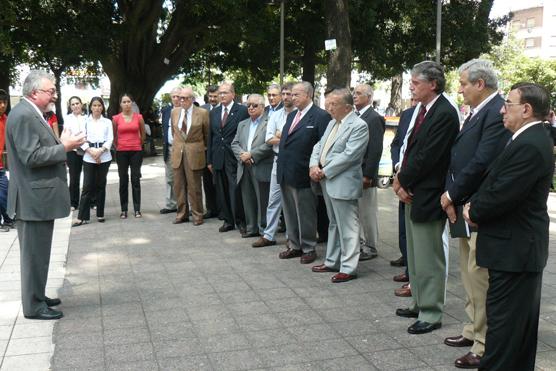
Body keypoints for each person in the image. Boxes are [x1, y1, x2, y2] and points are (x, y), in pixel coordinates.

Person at [464, 83, 554, 371]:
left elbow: (502, 193)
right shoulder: (526, 138)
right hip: (514, 250)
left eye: (509, 103)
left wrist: (473, 209)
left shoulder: (530, 143)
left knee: (504, 336)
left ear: (526, 109)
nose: (502, 109)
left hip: (515, 253)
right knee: (515, 335)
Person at [439, 59, 510, 369]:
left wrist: (452, 194)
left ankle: (483, 344)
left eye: (464, 83)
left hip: (478, 208)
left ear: (480, 84)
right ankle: (472, 329)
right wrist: (453, 194)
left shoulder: (496, 112)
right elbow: (459, 156)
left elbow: (482, 160)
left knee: (480, 277)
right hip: (464, 206)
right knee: (469, 275)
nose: (460, 89)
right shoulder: (479, 111)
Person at [6, 70, 85, 320]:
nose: (54, 94)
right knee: (33, 256)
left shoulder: (30, 113)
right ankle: (33, 306)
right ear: (34, 92)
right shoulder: (23, 115)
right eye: (50, 91)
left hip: (36, 198)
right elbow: (30, 157)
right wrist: (65, 148)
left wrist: (59, 142)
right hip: (31, 199)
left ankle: (37, 295)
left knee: (39, 253)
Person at [393, 61, 459, 334]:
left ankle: (431, 313)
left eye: (416, 82)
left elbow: (428, 157)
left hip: (428, 194)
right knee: (416, 255)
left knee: (429, 256)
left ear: (433, 84)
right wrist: (401, 181)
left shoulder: (444, 112)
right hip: (412, 191)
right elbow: (407, 148)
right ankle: (419, 302)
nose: (411, 86)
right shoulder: (421, 109)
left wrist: (401, 180)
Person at [309, 88, 369, 282]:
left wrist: (324, 170)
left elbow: (350, 155)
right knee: (334, 222)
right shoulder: (332, 123)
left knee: (348, 226)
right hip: (328, 180)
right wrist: (313, 165)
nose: (329, 107)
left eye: (334, 104)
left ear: (348, 107)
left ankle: (349, 267)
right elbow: (319, 145)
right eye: (328, 103)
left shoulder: (358, 125)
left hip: (342, 181)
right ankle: (332, 261)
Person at [277, 81, 330, 264]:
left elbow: (323, 146)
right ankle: (294, 245)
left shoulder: (320, 116)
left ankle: (308, 247)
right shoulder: (292, 116)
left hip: (304, 173)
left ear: (308, 95)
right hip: (285, 171)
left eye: (296, 94)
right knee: (290, 211)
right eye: (291, 94)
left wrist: (317, 168)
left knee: (305, 212)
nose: (291, 98)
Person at [252, 83, 295, 248]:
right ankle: (269, 235)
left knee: (292, 201)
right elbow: (269, 140)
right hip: (278, 160)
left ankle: (292, 236)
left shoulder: (300, 115)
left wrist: (281, 135)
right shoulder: (275, 115)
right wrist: (287, 136)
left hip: (294, 161)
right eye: (283, 93)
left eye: (288, 94)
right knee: (273, 200)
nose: (285, 97)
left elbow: (297, 139)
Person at [207, 82, 249, 233]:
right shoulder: (214, 112)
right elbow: (211, 137)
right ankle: (227, 220)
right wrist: (209, 160)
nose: (222, 96)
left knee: (235, 189)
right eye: (220, 93)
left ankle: (241, 221)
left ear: (233, 94)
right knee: (222, 190)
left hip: (234, 157)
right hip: (218, 157)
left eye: (225, 93)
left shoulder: (242, 111)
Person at [231, 94, 274, 238]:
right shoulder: (242, 124)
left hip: (261, 165)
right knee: (247, 199)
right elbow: (234, 143)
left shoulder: (270, 122)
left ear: (262, 106)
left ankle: (264, 230)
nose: (250, 108)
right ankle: (251, 228)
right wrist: (243, 156)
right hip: (244, 166)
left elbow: (269, 144)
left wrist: (252, 155)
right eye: (248, 105)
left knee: (263, 200)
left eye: (254, 105)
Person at [353, 84, 385, 261]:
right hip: (353, 172)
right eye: (354, 93)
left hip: (365, 173)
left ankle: (370, 246)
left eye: (358, 93)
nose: (354, 96)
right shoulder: (355, 116)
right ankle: (359, 243)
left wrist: (368, 175)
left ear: (369, 97)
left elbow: (375, 149)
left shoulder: (373, 118)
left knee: (367, 212)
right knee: (357, 211)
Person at [171, 87, 209, 226]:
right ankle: (182, 214)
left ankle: (198, 215)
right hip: (178, 153)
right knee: (179, 186)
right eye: (180, 98)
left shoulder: (202, 113)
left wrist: (201, 148)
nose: (181, 100)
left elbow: (207, 134)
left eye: (185, 98)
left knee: (194, 186)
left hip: (194, 152)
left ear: (192, 99)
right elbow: (175, 132)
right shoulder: (174, 112)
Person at [72, 97, 113, 226]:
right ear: (90, 107)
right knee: (87, 186)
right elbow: (81, 138)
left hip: (104, 155)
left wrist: (100, 151)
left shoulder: (107, 122)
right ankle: (82, 217)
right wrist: (90, 151)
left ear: (102, 107)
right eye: (94, 105)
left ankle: (100, 213)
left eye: (99, 105)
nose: (97, 108)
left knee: (101, 185)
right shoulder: (85, 121)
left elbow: (110, 138)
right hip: (89, 156)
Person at [391, 99, 417, 297]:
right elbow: (398, 143)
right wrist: (398, 168)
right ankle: (408, 265)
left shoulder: (442, 112)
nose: (412, 93)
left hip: (416, 184)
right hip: (402, 173)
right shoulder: (407, 114)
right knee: (403, 226)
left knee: (418, 236)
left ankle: (414, 276)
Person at [112, 93, 146, 219]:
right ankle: (124, 209)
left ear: (132, 103)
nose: (126, 104)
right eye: (124, 102)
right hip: (121, 152)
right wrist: (119, 146)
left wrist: (137, 144)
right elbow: (114, 135)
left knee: (136, 180)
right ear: (120, 104)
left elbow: (143, 135)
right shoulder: (116, 118)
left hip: (136, 151)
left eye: (128, 101)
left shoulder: (139, 117)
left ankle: (137, 209)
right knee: (123, 180)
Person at [159, 87, 181, 215]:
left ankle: (187, 204)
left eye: (179, 96)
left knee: (185, 178)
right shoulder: (166, 110)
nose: (176, 99)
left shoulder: (186, 110)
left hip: (183, 149)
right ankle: (171, 204)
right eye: (174, 96)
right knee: (170, 178)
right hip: (169, 148)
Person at [200, 85, 219, 219]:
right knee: (207, 182)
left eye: (215, 96)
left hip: (219, 150)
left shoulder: (224, 109)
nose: (212, 99)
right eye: (210, 96)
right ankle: (211, 209)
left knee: (219, 182)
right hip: (205, 151)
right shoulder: (202, 109)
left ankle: (222, 209)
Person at [64, 96, 86, 210]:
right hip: (73, 151)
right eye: (73, 104)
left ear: (81, 104)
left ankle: (92, 201)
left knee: (90, 177)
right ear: (70, 106)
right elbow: (67, 133)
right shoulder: (68, 118)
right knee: (74, 178)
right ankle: (73, 202)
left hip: (87, 150)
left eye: (77, 103)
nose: (75, 106)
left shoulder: (87, 118)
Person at [0, 89, 13, 232]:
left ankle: (8, 219)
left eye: (4, 102)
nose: (2, 105)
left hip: (1, 165)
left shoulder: (6, 119)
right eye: (0, 103)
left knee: (5, 192)